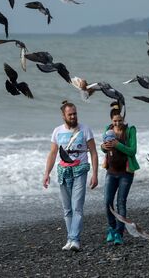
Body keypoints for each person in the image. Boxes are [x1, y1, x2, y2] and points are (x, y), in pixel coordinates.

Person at [43, 101, 99, 252]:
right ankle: (70, 238)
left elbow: (93, 152)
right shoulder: (57, 131)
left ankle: (75, 240)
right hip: (63, 172)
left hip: (80, 170)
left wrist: (95, 174)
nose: (73, 116)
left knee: (77, 207)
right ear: (64, 116)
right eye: (70, 114)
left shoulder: (85, 130)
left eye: (75, 113)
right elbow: (53, 154)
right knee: (67, 209)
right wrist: (46, 174)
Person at [101, 102, 139, 246]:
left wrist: (118, 145)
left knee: (121, 202)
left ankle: (119, 233)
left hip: (126, 173)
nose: (117, 123)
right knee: (107, 202)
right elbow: (104, 148)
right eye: (115, 121)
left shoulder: (130, 130)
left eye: (120, 120)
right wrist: (103, 147)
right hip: (111, 172)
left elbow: (132, 151)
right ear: (111, 121)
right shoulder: (108, 129)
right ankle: (111, 228)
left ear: (123, 119)